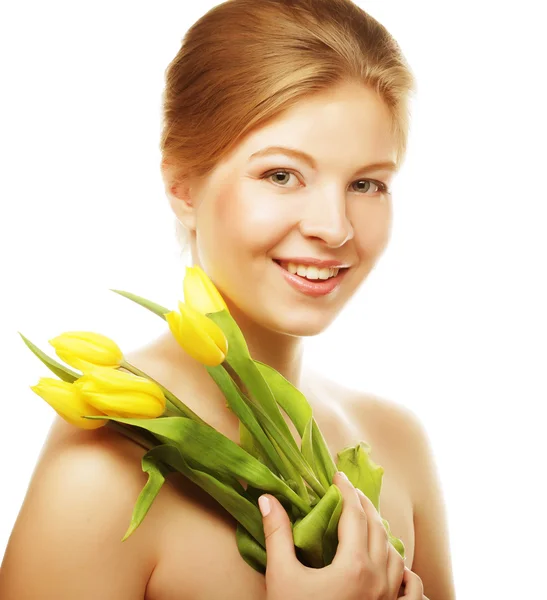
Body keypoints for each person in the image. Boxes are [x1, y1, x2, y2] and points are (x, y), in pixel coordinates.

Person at [0, 0, 456, 598]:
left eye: (367, 183)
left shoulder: (397, 442)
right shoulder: (100, 474)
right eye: (281, 175)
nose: (335, 227)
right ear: (183, 188)